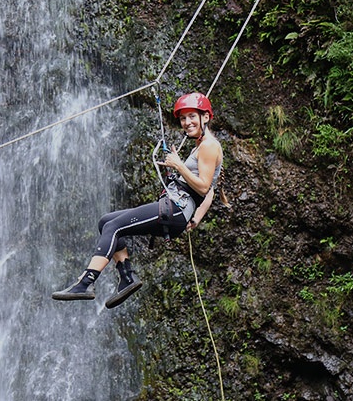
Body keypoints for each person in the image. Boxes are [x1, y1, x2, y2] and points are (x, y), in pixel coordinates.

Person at [52, 92, 224, 308]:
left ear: (205, 117)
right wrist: (195, 218)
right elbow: (210, 192)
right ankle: (127, 278)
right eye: (183, 118)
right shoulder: (202, 145)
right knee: (106, 221)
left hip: (176, 208)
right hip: (176, 208)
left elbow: (204, 185)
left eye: (192, 116)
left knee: (114, 226)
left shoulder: (209, 145)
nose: (187, 122)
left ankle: (86, 282)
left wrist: (179, 166)